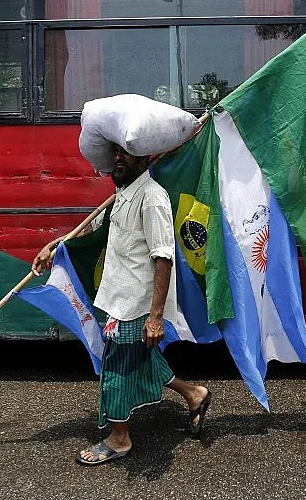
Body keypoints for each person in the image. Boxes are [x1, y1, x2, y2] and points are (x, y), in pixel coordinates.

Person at [32, 144, 211, 466]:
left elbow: (163, 257)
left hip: (136, 305)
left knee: (116, 369)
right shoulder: (123, 194)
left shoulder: (152, 197)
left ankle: (119, 439)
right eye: (115, 151)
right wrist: (53, 246)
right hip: (117, 298)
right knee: (146, 360)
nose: (118, 158)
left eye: (126, 152)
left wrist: (155, 318)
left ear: (146, 157)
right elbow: (91, 233)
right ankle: (194, 394)